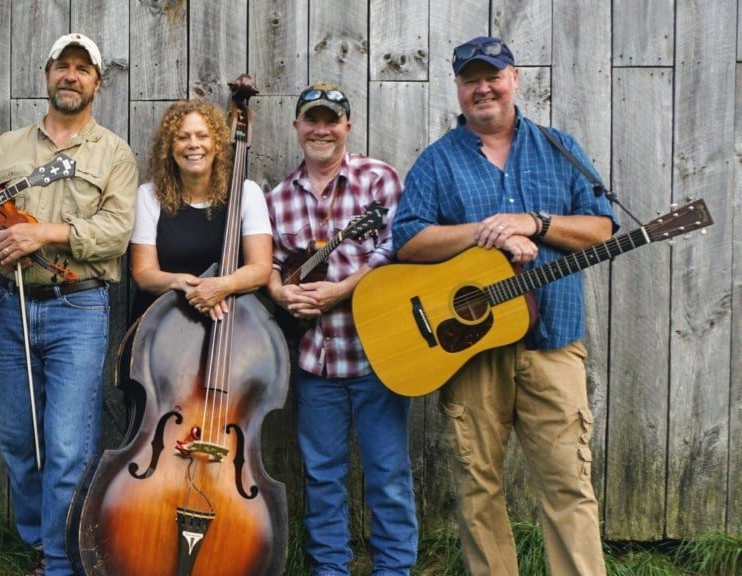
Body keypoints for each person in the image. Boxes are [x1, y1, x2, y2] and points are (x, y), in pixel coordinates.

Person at [391, 37, 616, 576]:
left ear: (515, 78)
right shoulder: (438, 161)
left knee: (568, 483)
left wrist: (534, 222)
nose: (482, 88)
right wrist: (484, 234)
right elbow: (408, 241)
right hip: (469, 352)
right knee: (479, 488)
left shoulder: (560, 148)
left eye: (491, 76)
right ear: (458, 89)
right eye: (471, 80)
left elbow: (603, 229)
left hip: (553, 345)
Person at [0, 33, 137, 576]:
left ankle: (62, 562)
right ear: (47, 74)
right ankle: (41, 541)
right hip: (8, 307)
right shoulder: (9, 147)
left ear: (96, 83)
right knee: (16, 439)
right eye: (63, 66)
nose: (71, 76)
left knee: (66, 446)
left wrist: (44, 235)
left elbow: (116, 231)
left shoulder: (114, 154)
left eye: (83, 69)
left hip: (77, 310)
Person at [266, 83, 418, 576]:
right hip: (315, 360)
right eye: (312, 119)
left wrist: (343, 289)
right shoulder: (278, 198)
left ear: (347, 126)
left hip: (377, 355)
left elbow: (396, 251)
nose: (321, 129)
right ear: (297, 127)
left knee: (388, 475)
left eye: (331, 120)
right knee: (322, 475)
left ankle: (394, 569)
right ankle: (328, 569)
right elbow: (265, 263)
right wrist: (279, 292)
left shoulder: (379, 181)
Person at [130, 98, 272, 322]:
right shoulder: (149, 195)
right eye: (182, 137)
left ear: (217, 143)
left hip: (232, 323)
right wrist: (185, 284)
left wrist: (224, 285)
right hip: (162, 324)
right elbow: (144, 274)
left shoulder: (247, 193)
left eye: (202, 136)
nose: (193, 144)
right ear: (169, 147)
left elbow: (261, 268)